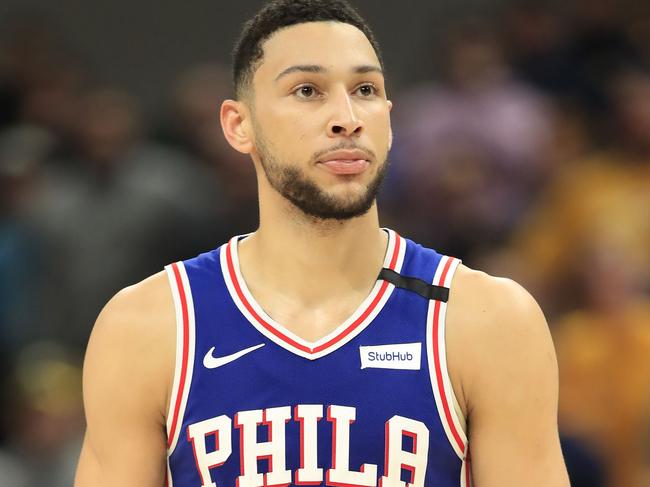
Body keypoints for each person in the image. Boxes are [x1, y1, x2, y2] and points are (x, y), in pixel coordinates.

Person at [74, 1, 570, 486]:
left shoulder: (489, 320)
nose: (347, 117)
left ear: (390, 119)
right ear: (238, 125)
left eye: (365, 89)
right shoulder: (148, 326)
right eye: (308, 90)